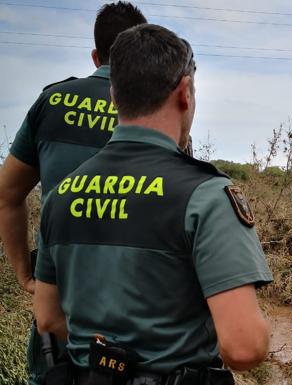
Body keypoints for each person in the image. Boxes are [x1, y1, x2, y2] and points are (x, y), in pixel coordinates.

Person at [33, 24, 273, 385]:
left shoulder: (62, 195)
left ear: (115, 96)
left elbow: (48, 319)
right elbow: (244, 348)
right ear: (185, 93)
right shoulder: (206, 195)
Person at [0, 3, 146, 384]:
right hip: (137, 305)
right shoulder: (156, 116)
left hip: (57, 298)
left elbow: (7, 195)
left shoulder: (52, 102)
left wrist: (25, 277)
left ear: (96, 55)